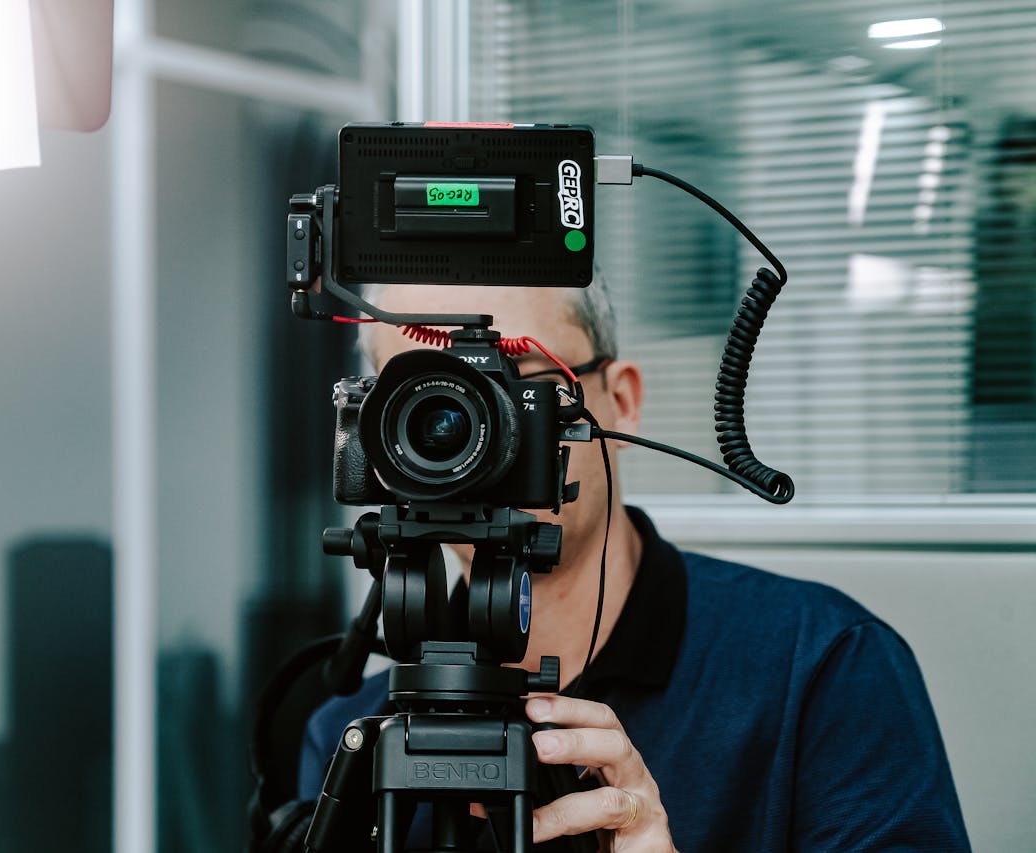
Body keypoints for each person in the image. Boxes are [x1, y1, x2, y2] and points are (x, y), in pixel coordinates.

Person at [296, 282, 970, 851]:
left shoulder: (824, 667)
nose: (473, 444)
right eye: (428, 405)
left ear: (620, 399)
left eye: (518, 390)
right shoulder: (353, 735)